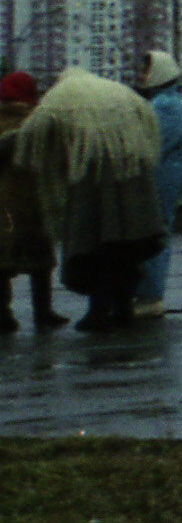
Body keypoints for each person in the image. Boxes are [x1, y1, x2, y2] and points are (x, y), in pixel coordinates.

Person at [14, 67, 165, 329]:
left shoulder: (63, 94)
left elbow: (31, 135)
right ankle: (122, 309)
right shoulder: (120, 92)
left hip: (93, 181)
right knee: (126, 249)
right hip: (133, 177)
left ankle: (98, 312)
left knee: (97, 248)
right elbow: (149, 122)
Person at [0, 73, 66, 331]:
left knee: (2, 263)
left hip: (4, 203)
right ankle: (43, 312)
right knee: (40, 261)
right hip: (35, 199)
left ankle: (3, 315)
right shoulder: (39, 120)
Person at [133, 51, 182, 318]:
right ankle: (147, 293)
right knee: (155, 231)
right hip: (164, 173)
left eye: (146, 71)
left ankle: (150, 296)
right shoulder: (164, 101)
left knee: (155, 232)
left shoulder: (164, 105)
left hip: (161, 176)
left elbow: (149, 142)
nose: (141, 76)